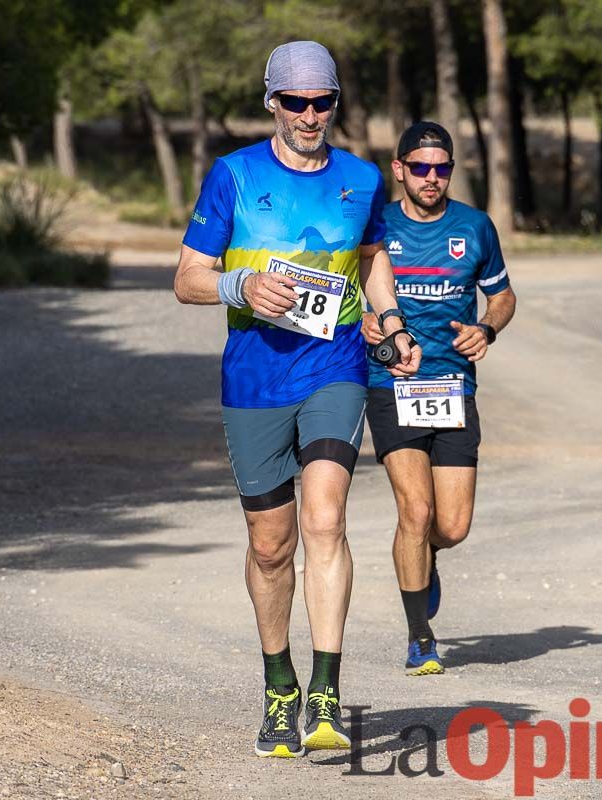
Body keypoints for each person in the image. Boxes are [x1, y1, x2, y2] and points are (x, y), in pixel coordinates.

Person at [174, 41, 420, 759]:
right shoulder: (235, 177)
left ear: (335, 104)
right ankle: (278, 682)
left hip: (336, 366)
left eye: (322, 103)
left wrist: (394, 322)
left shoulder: (362, 179)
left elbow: (373, 262)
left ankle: (326, 691)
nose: (310, 116)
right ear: (271, 103)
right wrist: (239, 287)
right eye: (296, 102)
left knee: (325, 518)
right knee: (270, 544)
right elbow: (188, 277)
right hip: (253, 378)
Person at [361, 121, 516, 676]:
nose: (432, 177)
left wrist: (487, 328)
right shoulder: (376, 227)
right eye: (421, 167)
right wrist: (366, 322)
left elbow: (501, 296)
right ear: (399, 169)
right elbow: (350, 287)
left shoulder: (475, 226)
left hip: (453, 387)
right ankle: (419, 635)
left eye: (442, 168)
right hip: (392, 384)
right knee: (416, 509)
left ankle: (421, 558)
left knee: (449, 527)